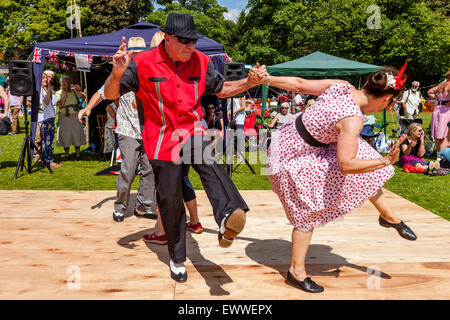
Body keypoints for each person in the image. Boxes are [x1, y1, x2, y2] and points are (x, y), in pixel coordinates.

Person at [103, 13, 264, 283]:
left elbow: (221, 89)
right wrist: (117, 71)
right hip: (161, 141)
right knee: (169, 200)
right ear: (167, 38)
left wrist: (250, 83)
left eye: (193, 40)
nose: (191, 46)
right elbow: (110, 94)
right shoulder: (142, 63)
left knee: (211, 166)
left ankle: (228, 216)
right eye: (184, 41)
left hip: (191, 131)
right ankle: (177, 258)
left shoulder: (201, 61)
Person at [258, 66, 417, 293]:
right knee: (308, 206)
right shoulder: (352, 120)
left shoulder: (341, 86)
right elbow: (346, 165)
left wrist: (267, 78)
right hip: (294, 154)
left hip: (292, 136)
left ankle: (389, 216)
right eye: (390, 104)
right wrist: (386, 161)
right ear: (387, 99)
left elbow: (300, 84)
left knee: (365, 156)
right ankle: (296, 271)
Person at [79, 37, 157, 222]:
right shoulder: (120, 73)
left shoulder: (150, 72)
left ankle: (144, 205)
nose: (137, 57)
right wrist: (88, 108)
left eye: (139, 54)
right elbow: (101, 92)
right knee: (128, 170)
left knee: (150, 170)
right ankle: (120, 207)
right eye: (133, 54)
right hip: (127, 130)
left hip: (148, 131)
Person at [55, 76, 86, 160]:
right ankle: (67, 155)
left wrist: (80, 103)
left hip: (75, 114)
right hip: (64, 115)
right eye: (62, 82)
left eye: (65, 81)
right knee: (65, 134)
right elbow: (61, 104)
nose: (64, 83)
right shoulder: (58, 92)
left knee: (76, 133)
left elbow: (83, 96)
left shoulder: (74, 92)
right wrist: (64, 94)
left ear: (69, 83)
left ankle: (78, 155)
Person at [39, 72, 60, 168]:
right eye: (43, 78)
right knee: (47, 141)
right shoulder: (40, 90)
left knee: (50, 141)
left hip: (49, 117)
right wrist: (49, 91)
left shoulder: (45, 89)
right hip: (45, 119)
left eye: (46, 78)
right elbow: (45, 103)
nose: (45, 80)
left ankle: (47, 159)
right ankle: (48, 161)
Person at [428, 70, 450, 156]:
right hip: (447, 110)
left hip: (438, 109)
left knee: (438, 135)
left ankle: (438, 155)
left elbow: (429, 92)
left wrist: (438, 99)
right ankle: (442, 156)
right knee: (446, 135)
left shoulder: (441, 85)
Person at [228, 96, 246, 162]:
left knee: (239, 136)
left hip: (240, 118)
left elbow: (243, 107)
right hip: (233, 118)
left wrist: (233, 111)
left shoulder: (241, 95)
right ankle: (236, 152)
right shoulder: (233, 95)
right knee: (234, 136)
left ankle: (241, 154)